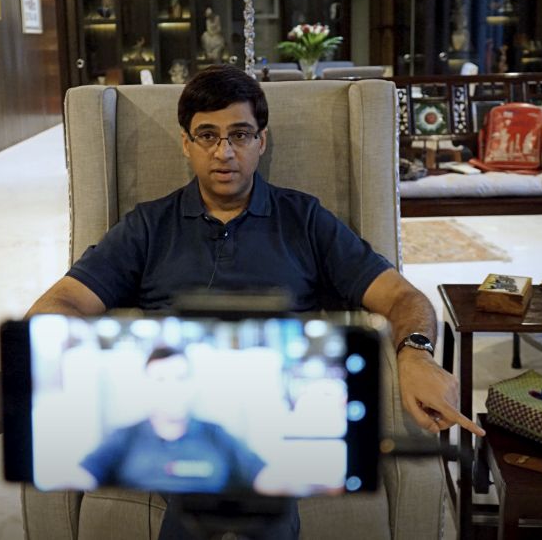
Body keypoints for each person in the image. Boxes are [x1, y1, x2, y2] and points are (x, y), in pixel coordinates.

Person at [26, 64, 484, 537]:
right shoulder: (148, 226)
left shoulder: (304, 219)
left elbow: (402, 297)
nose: (224, 152)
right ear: (186, 144)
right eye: (208, 135)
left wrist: (415, 353)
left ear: (261, 141)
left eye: (240, 135)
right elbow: (59, 304)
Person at [75, 346, 283, 495]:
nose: (171, 388)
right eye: (161, 380)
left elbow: (263, 476)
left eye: (180, 378)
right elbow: (83, 476)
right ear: (147, 388)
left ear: (191, 386)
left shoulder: (216, 434)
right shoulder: (126, 437)